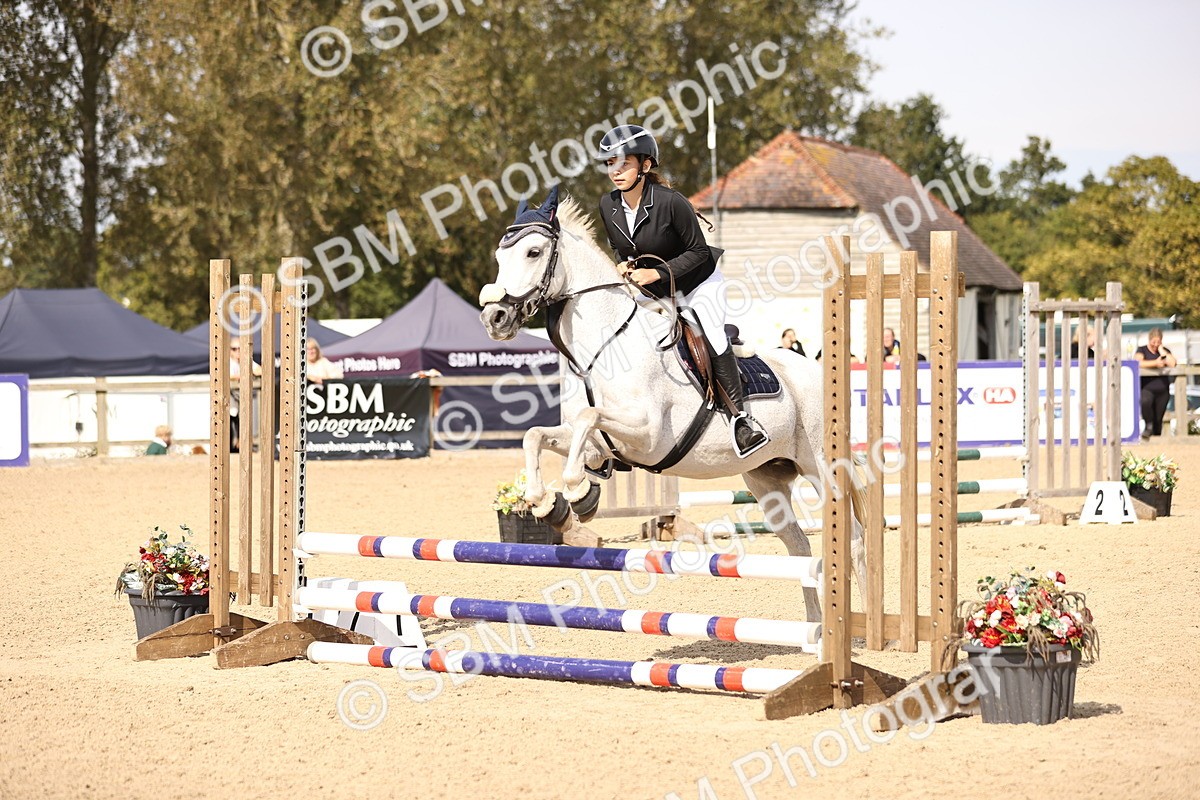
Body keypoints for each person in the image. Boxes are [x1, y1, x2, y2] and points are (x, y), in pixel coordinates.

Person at [596, 124, 767, 457]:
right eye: (610, 164)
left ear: (645, 165)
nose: (615, 171)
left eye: (624, 163)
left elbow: (699, 252)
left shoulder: (671, 202)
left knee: (712, 333)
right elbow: (623, 248)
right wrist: (625, 265)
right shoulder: (608, 205)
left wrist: (657, 272)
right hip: (656, 288)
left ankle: (741, 421)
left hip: (698, 282)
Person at [1135, 327, 1176, 440]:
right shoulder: (1142, 350)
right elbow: (1138, 362)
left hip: (1162, 390)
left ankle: (1156, 438)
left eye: (1158, 342)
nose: (1155, 345)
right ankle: (1148, 426)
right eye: (1154, 342)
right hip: (1147, 388)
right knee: (1145, 403)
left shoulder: (1164, 351)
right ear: (1149, 340)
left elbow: (1172, 363)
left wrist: (1162, 351)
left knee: (1158, 418)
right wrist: (1155, 363)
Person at [228, 339, 261, 453]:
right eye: (234, 349)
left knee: (245, 419)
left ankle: (244, 444)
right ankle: (233, 444)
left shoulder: (247, 361)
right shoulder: (227, 362)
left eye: (240, 348)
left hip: (245, 397)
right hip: (231, 397)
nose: (237, 351)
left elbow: (259, 370)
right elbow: (227, 375)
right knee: (232, 417)